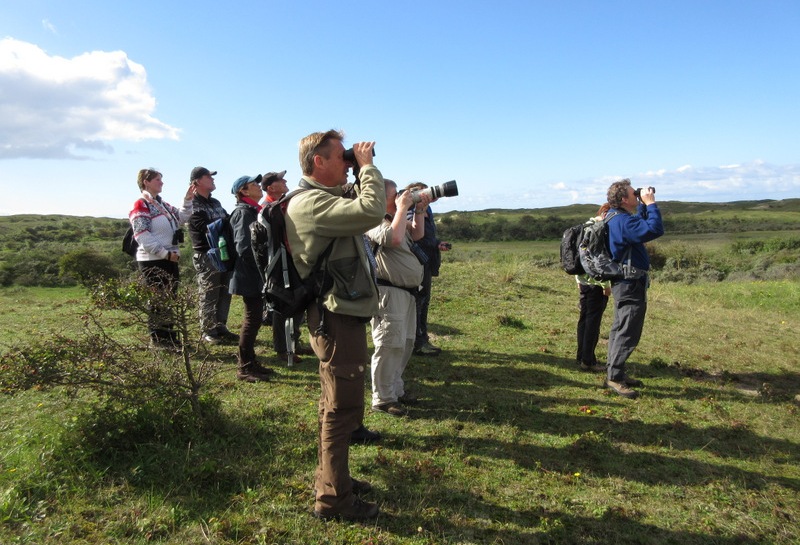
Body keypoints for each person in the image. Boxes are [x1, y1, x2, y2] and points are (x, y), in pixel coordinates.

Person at [284, 130, 385, 521]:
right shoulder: (310, 204)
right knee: (341, 410)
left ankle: (334, 479)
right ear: (317, 162)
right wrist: (368, 167)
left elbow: (364, 202)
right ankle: (333, 500)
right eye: (339, 157)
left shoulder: (322, 198)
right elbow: (371, 211)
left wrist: (358, 170)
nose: (346, 162)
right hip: (335, 318)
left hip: (339, 313)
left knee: (335, 406)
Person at [366, 180, 429, 416]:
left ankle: (395, 390)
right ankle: (382, 398)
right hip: (389, 292)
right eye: (396, 194)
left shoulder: (396, 219)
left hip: (408, 293)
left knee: (406, 343)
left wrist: (420, 209)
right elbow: (391, 239)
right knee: (389, 344)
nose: (401, 197)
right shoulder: (370, 220)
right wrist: (403, 207)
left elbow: (418, 234)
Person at [604, 179, 664, 399]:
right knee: (627, 331)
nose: (636, 195)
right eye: (633, 193)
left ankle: (614, 372)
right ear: (623, 199)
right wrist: (650, 204)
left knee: (620, 328)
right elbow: (655, 229)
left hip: (624, 283)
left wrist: (642, 205)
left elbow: (640, 227)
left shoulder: (617, 218)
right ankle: (615, 378)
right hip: (629, 284)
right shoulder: (623, 222)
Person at [128, 168, 193, 348]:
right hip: (153, 259)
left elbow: (182, 217)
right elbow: (142, 234)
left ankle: (169, 337)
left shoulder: (161, 204)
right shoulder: (141, 204)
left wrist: (188, 199)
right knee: (158, 300)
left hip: (169, 257)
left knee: (169, 298)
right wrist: (164, 253)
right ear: (146, 182)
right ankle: (158, 340)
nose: (161, 182)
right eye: (157, 179)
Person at [260, 170, 312, 363]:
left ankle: (293, 344)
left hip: (288, 262)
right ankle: (283, 349)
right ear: (271, 187)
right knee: (283, 306)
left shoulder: (282, 205)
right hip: (279, 264)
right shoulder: (268, 208)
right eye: (281, 180)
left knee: (296, 303)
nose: (285, 181)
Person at [228, 174, 275, 382]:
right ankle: (244, 367)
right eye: (254, 184)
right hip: (248, 275)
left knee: (254, 319)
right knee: (251, 320)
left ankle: (250, 361)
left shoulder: (253, 210)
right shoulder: (243, 213)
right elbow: (243, 247)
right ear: (244, 192)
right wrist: (264, 259)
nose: (258, 186)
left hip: (254, 274)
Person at [187, 166, 237, 344]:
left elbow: (225, 221)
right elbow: (205, 227)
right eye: (209, 176)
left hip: (223, 252)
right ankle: (207, 330)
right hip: (206, 255)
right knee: (209, 293)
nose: (213, 179)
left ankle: (220, 326)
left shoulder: (215, 202)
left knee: (225, 291)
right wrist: (225, 222)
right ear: (198, 181)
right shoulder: (192, 204)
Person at [404, 182, 451, 356]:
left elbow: (426, 235)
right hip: (417, 262)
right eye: (426, 192)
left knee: (424, 301)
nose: (430, 194)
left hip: (427, 260)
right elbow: (413, 235)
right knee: (419, 302)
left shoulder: (427, 210)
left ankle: (422, 339)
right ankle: (418, 342)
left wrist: (438, 243)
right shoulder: (412, 210)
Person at [576, 203, 612, 373]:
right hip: (596, 283)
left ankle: (581, 356)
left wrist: (578, 280)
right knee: (593, 322)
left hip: (583, 281)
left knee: (584, 319)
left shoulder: (586, 226)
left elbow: (581, 256)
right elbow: (600, 258)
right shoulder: (600, 229)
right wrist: (606, 285)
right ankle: (588, 361)